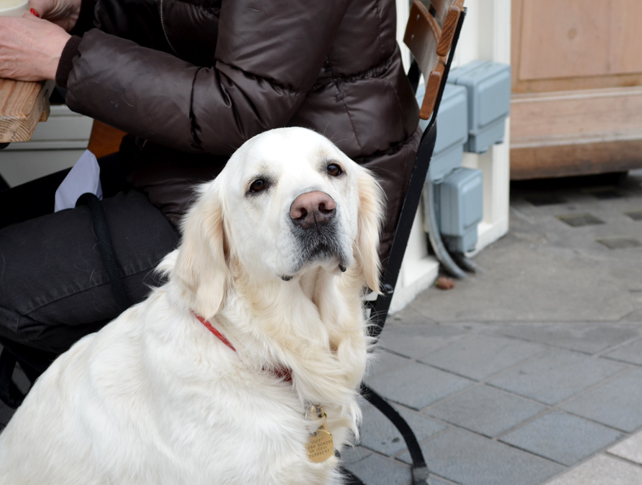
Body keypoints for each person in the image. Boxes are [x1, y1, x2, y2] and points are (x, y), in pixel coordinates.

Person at [0, 0, 421, 391]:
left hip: (277, 190)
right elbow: (195, 19)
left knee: (9, 289)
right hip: (201, 165)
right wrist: (89, 12)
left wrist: (61, 58)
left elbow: (240, 103)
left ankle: (154, 418)